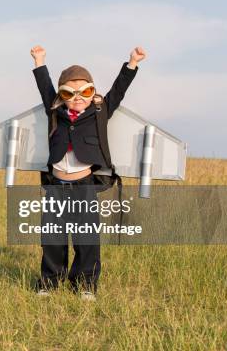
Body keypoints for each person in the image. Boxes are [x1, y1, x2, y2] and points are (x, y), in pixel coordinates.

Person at [29, 44, 146, 300]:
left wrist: (132, 63)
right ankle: (50, 281)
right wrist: (39, 61)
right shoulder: (55, 111)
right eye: (71, 93)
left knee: (87, 238)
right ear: (62, 96)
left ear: (92, 92)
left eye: (85, 91)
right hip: (56, 186)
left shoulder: (99, 112)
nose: (78, 97)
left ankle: (85, 284)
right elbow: (45, 87)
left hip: (84, 185)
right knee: (52, 237)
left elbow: (118, 91)